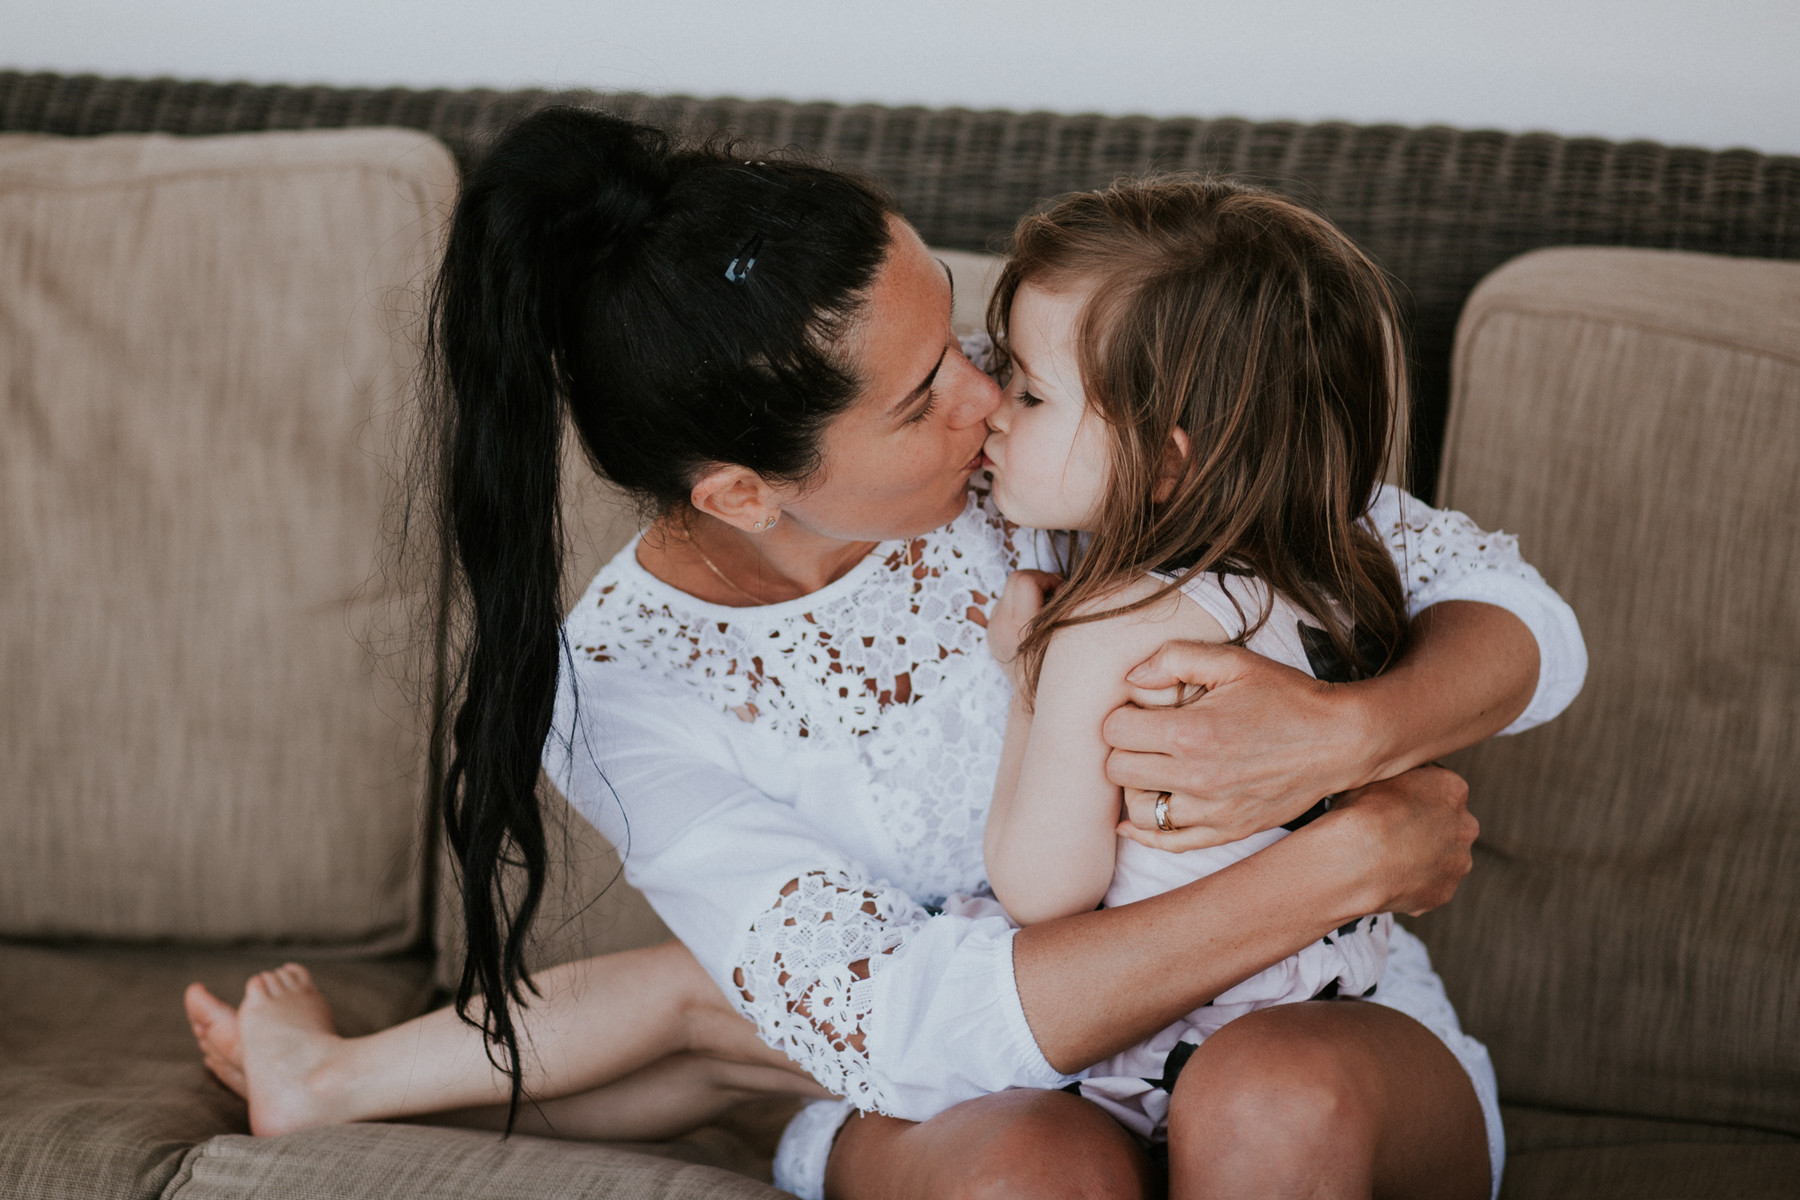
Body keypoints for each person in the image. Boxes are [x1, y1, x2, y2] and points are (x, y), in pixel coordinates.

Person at [184, 107, 1584, 1200]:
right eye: (930, 396)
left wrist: (1361, 735)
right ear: (746, 489)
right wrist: (1337, 861)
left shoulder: (1041, 445)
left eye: (977, 343)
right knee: (1024, 1167)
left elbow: (1494, 600)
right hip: (974, 1089)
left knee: (1274, 1099)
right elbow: (905, 1028)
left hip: (1312, 1029)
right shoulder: (625, 693)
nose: (985, 393)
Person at [977, 176, 1454, 1166]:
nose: (992, 410)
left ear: (1166, 464)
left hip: (1157, 1057)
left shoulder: (1108, 629)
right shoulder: (1334, 579)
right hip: (1334, 1018)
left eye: (1029, 390)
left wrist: (1026, 679)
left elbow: (1040, 887)